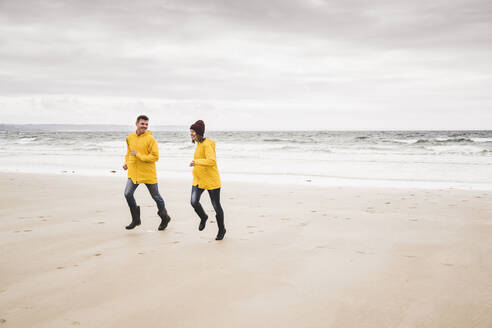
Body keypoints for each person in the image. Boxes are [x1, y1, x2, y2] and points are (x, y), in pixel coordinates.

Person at [123, 115, 171, 231]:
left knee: (156, 197)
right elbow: (129, 153)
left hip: (148, 173)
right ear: (137, 124)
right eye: (142, 124)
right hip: (134, 172)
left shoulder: (151, 139)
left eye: (146, 124)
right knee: (127, 194)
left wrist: (138, 155)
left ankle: (164, 217)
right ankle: (136, 219)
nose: (144, 126)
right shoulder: (129, 138)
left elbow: (155, 157)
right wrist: (126, 163)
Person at [189, 120, 226, 240]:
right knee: (194, 202)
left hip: (211, 181)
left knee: (216, 206)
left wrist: (197, 162)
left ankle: (221, 229)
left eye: (193, 132)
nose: (191, 134)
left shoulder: (206, 145)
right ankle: (203, 217)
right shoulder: (199, 144)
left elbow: (212, 161)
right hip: (199, 180)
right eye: (191, 132)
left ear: (199, 132)